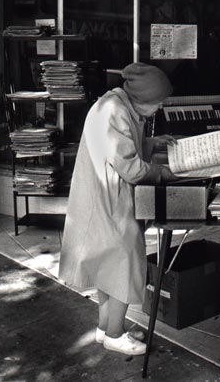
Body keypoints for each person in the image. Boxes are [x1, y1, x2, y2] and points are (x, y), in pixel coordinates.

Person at [58, 62, 178, 356]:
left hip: (103, 197)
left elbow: (126, 145)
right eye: (158, 103)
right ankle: (115, 334)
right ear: (144, 98)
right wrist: (165, 172)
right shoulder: (115, 111)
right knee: (125, 262)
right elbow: (132, 169)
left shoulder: (118, 105)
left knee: (107, 265)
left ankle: (104, 327)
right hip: (108, 200)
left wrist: (152, 141)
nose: (160, 108)